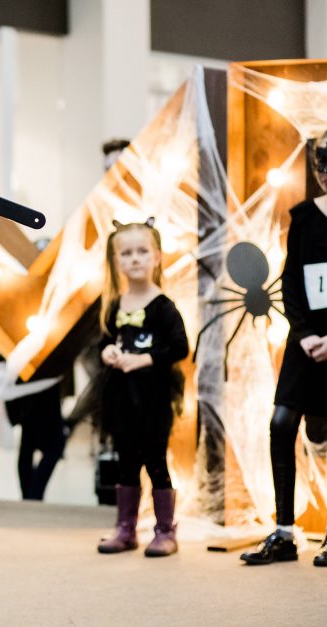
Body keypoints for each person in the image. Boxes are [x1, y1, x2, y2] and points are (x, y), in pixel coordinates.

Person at [240, 127, 327, 566]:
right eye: (322, 166)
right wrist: (303, 334)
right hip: (307, 342)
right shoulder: (302, 218)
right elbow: (291, 281)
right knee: (281, 423)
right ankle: (283, 529)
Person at [96, 219, 188, 557]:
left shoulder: (163, 306)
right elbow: (105, 340)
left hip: (154, 398)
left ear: (157, 257)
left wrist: (144, 359)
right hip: (121, 398)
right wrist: (106, 352)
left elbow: (180, 347)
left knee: (155, 460)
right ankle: (125, 528)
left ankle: (165, 529)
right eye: (127, 253)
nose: (135, 259)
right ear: (116, 260)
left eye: (142, 251)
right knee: (125, 461)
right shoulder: (114, 305)